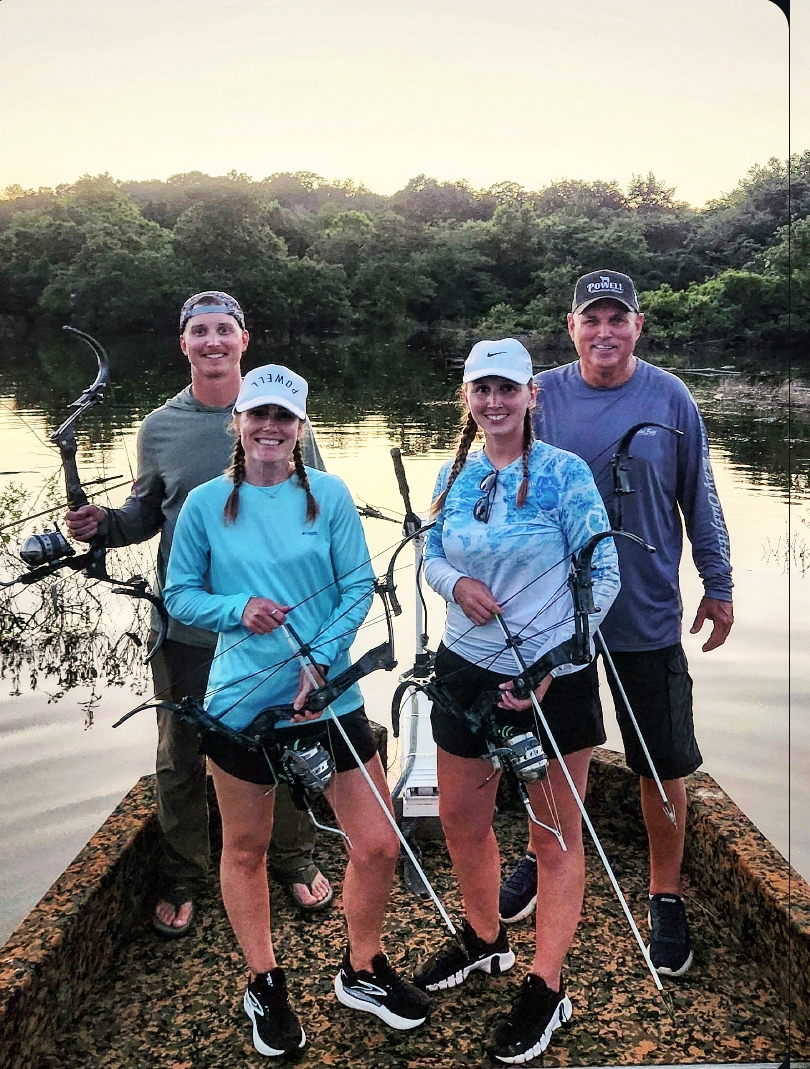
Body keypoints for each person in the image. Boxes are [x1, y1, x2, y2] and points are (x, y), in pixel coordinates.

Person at [162, 363, 431, 1056]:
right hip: (240, 704)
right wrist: (236, 608)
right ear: (239, 423)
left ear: (301, 427)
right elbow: (180, 594)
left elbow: (355, 589)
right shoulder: (204, 504)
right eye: (259, 415)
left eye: (284, 417)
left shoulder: (331, 496)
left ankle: (361, 966)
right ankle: (264, 979)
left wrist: (321, 657)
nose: (270, 428)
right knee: (246, 848)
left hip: (330, 694)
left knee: (376, 841)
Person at [65, 291, 332, 939]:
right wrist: (102, 526)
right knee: (180, 754)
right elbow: (143, 516)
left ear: (245, 339)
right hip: (185, 630)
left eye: (224, 330)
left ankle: (294, 857)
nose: (213, 341)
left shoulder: (286, 416)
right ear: (183, 343)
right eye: (200, 331)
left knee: (286, 741)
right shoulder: (159, 427)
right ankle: (184, 872)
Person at [499, 269, 734, 980]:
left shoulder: (671, 397)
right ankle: (540, 856)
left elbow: (702, 494)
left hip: (647, 610)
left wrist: (718, 584)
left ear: (638, 325)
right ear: (570, 327)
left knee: (662, 763)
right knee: (546, 753)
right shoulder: (538, 394)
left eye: (617, 318)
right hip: (553, 613)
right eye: (590, 318)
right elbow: (492, 474)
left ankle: (664, 893)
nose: (604, 330)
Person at [412, 339, 620, 1063]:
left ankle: (547, 985)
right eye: (481, 390)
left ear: (532, 394)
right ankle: (485, 937)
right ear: (467, 398)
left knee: (553, 837)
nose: (494, 402)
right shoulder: (454, 473)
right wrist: (453, 585)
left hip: (551, 677)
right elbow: (430, 554)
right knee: (460, 817)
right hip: (465, 670)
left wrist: (553, 661)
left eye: (507, 388)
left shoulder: (566, 476)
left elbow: (606, 574)